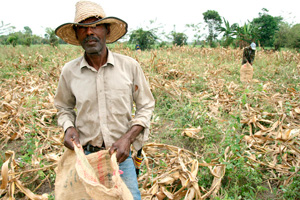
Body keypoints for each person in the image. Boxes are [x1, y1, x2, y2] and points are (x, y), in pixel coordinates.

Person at [54, 1, 155, 199]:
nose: (89, 32)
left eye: (96, 25)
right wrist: (68, 127)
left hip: (119, 157)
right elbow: (63, 107)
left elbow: (146, 106)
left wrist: (128, 138)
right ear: (77, 34)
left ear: (106, 30)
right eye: (83, 28)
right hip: (86, 158)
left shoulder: (129, 66)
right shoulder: (70, 71)